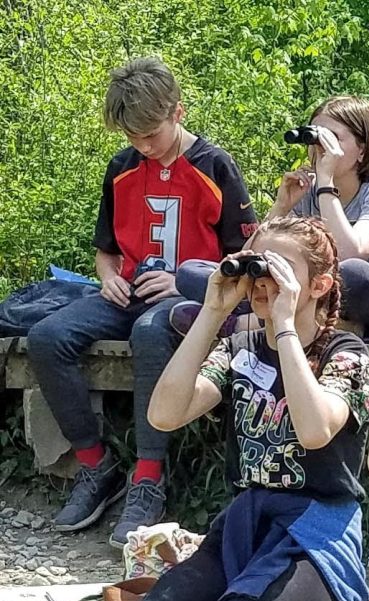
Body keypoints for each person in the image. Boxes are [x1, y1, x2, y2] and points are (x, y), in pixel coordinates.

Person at [105, 215, 369, 601]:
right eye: (257, 266)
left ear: (319, 285)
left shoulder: (346, 354)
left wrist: (285, 326)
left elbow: (314, 431)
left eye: (280, 269)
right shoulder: (240, 349)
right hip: (243, 530)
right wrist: (213, 310)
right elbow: (165, 415)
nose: (263, 280)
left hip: (315, 545)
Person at [26, 56, 257, 547]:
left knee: (149, 332)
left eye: (151, 134)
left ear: (178, 112)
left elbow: (242, 258)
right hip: (127, 291)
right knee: (46, 337)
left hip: (189, 298)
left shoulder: (214, 166)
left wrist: (181, 281)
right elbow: (106, 251)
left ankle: (148, 478)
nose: (143, 146)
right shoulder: (122, 168)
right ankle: (96, 466)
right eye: (133, 137)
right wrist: (109, 277)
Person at [174, 95, 369, 339]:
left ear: (362, 150)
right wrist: (281, 207)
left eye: (331, 138)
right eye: (315, 138)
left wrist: (326, 185)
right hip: (309, 293)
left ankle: (244, 323)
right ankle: (294, 319)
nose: (320, 148)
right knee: (193, 272)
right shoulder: (307, 190)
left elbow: (352, 254)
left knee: (353, 273)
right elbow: (250, 258)